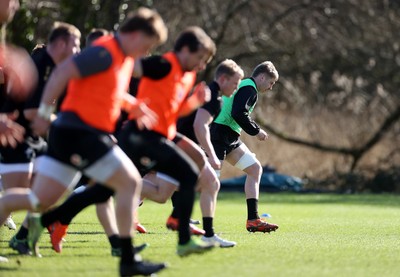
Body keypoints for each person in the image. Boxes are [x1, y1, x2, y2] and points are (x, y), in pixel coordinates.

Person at [0, 7, 168, 276]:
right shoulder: (105, 51)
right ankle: (127, 260)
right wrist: (43, 113)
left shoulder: (121, 58)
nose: (145, 52)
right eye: (147, 45)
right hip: (80, 131)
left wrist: (133, 105)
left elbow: (109, 92)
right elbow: (61, 73)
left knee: (36, 201)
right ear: (136, 35)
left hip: (74, 133)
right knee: (130, 181)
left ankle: (16, 222)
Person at [33, 26, 218, 258]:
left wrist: (193, 103)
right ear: (184, 50)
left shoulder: (187, 75)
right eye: (200, 58)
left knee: (103, 190)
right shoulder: (162, 64)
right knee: (188, 173)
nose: (201, 65)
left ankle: (49, 219)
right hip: (138, 135)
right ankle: (180, 239)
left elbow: (173, 111)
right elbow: (128, 67)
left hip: (157, 135)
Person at [140, 59, 244, 247]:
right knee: (203, 184)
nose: (236, 88)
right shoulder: (213, 97)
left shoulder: (208, 92)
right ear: (223, 78)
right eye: (235, 83)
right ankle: (119, 182)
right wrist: (211, 154)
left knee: (172, 191)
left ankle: (200, 230)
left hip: (177, 144)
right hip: (179, 146)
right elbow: (199, 125)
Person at [5, 21, 81, 256]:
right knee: (15, 197)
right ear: (60, 44)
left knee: (49, 192)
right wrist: (65, 124)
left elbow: (42, 112)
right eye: (76, 45)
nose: (78, 51)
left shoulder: (56, 68)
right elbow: (30, 112)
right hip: (13, 135)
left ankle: (23, 238)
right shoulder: (40, 64)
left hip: (33, 139)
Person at [210, 61, 280, 233]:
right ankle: (148, 195)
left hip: (229, 136)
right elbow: (238, 112)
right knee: (209, 181)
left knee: (254, 169)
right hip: (219, 135)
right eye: (271, 82)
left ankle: (253, 219)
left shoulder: (246, 86)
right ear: (262, 77)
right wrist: (256, 131)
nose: (271, 87)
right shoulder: (249, 88)